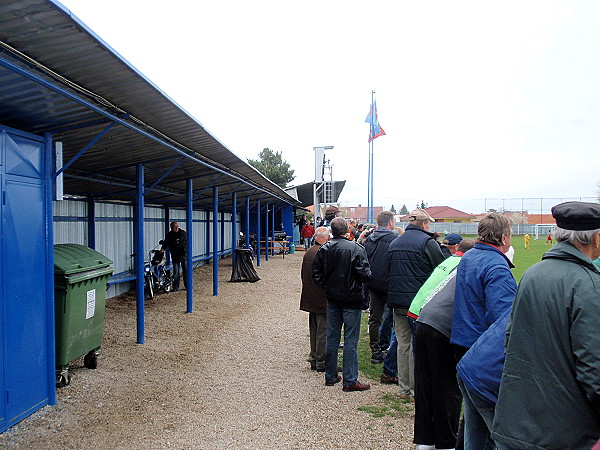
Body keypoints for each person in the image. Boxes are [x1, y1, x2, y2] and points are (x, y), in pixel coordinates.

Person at [492, 201, 600, 450]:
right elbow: (594, 370)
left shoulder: (533, 273)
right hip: (564, 431)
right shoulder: (589, 285)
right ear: (595, 238)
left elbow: (510, 340)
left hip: (519, 419)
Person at [412, 239, 475, 450]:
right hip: (439, 325)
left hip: (422, 316)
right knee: (447, 388)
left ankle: (425, 441)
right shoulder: (468, 266)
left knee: (426, 385)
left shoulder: (450, 263)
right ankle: (446, 443)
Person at [387, 209, 445, 398]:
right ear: (424, 224)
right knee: (416, 346)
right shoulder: (428, 243)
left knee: (402, 344)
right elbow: (440, 271)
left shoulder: (394, 242)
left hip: (397, 301)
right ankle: (415, 389)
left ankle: (404, 388)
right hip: (419, 303)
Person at [313, 217, 372, 391]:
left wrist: (328, 287)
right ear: (347, 230)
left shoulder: (324, 249)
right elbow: (366, 274)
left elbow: (316, 274)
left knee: (332, 337)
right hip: (351, 299)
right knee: (350, 340)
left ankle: (330, 376)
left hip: (333, 298)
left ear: (332, 231)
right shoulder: (356, 249)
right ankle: (350, 379)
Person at [450, 213, 517, 360]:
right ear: (504, 238)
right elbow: (502, 316)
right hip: (481, 344)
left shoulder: (469, 255)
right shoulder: (497, 267)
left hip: (462, 336)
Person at [364, 211, 398, 364]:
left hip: (373, 283)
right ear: (390, 223)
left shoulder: (368, 239)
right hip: (390, 284)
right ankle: (387, 347)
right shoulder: (394, 240)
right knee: (392, 318)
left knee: (374, 318)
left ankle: (375, 350)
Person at [300, 227, 330, 372]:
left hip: (310, 297)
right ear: (326, 238)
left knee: (314, 329)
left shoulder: (309, 251)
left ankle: (314, 357)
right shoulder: (323, 252)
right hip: (321, 299)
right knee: (322, 331)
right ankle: (321, 361)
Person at [159, 221, 187, 291]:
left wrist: (185, 251)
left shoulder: (183, 234)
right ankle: (175, 287)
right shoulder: (169, 236)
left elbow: (187, 243)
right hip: (175, 256)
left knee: (186, 271)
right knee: (176, 273)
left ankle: (187, 286)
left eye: (177, 226)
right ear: (171, 227)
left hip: (184, 256)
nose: (177, 228)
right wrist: (162, 249)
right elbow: (165, 243)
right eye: (175, 227)